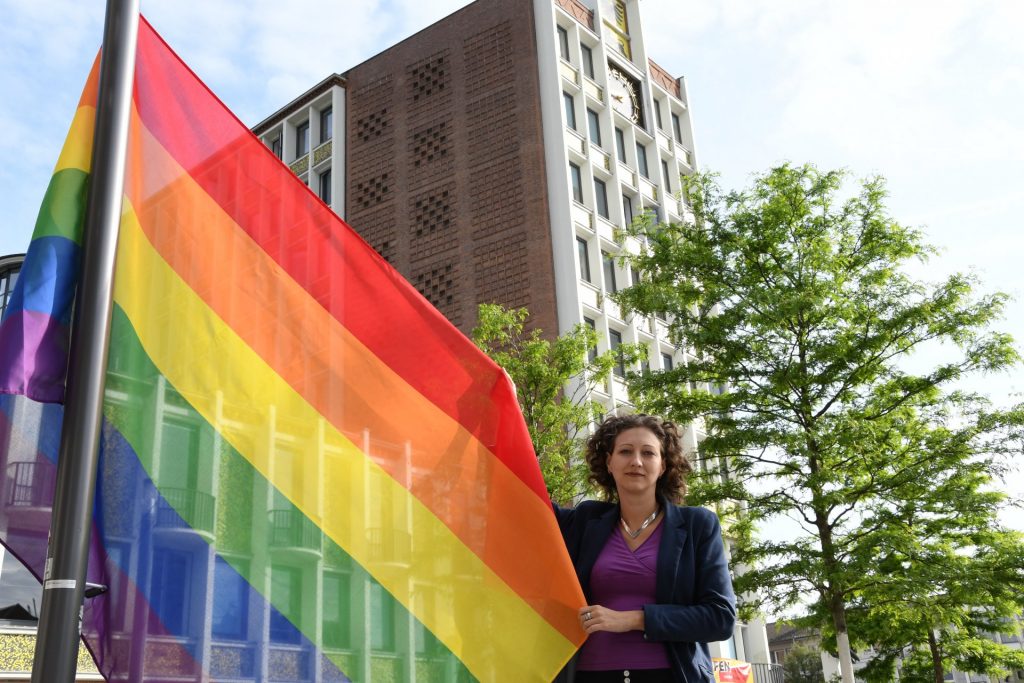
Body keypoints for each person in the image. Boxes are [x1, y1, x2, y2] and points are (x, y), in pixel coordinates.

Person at [553, 414, 736, 683]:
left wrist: (633, 620)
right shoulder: (586, 520)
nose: (636, 461)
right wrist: (505, 411)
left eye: (648, 453)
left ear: (663, 466)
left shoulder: (698, 524)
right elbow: (524, 498)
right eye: (625, 451)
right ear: (609, 462)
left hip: (670, 676)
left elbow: (720, 618)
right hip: (591, 675)